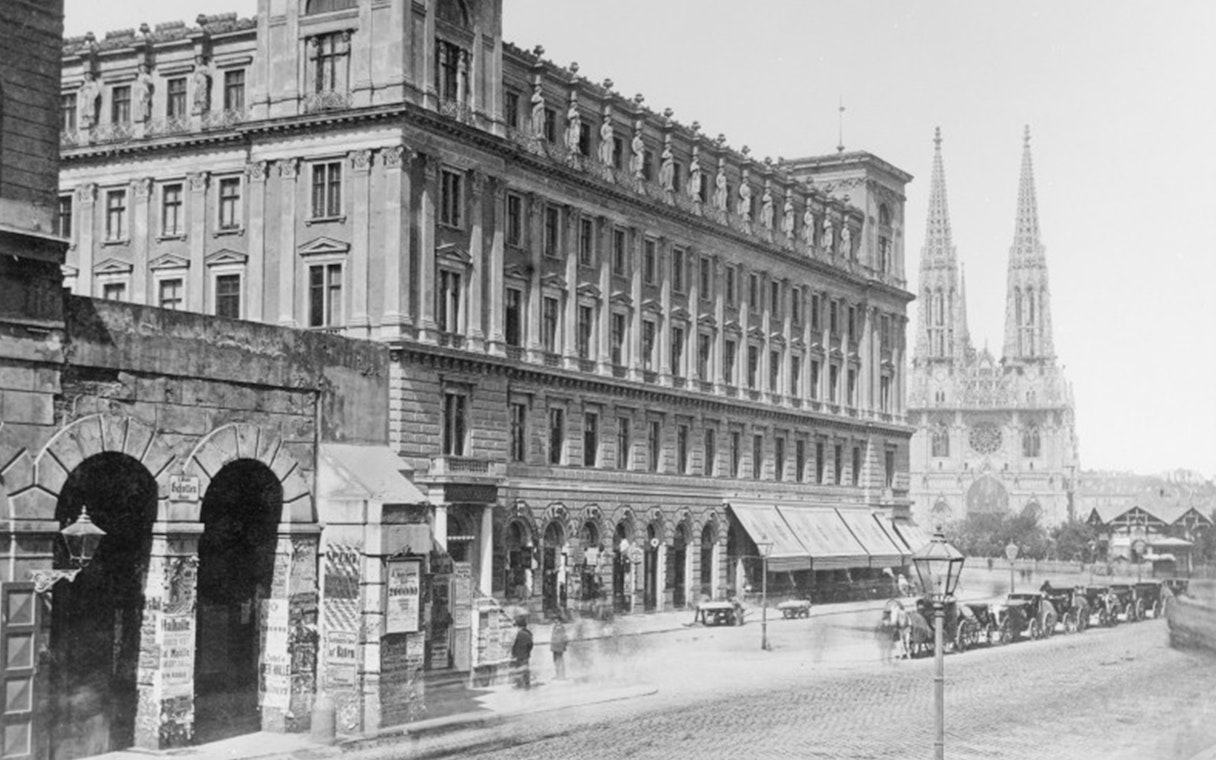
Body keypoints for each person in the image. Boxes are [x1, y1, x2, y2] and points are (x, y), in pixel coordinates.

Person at [511, 616, 534, 689]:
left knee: (519, 669)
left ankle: (520, 684)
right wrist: (528, 651)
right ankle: (527, 684)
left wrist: (514, 653)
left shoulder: (520, 633)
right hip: (525, 654)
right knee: (525, 669)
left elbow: (516, 644)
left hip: (519, 654)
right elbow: (530, 645)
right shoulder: (529, 633)